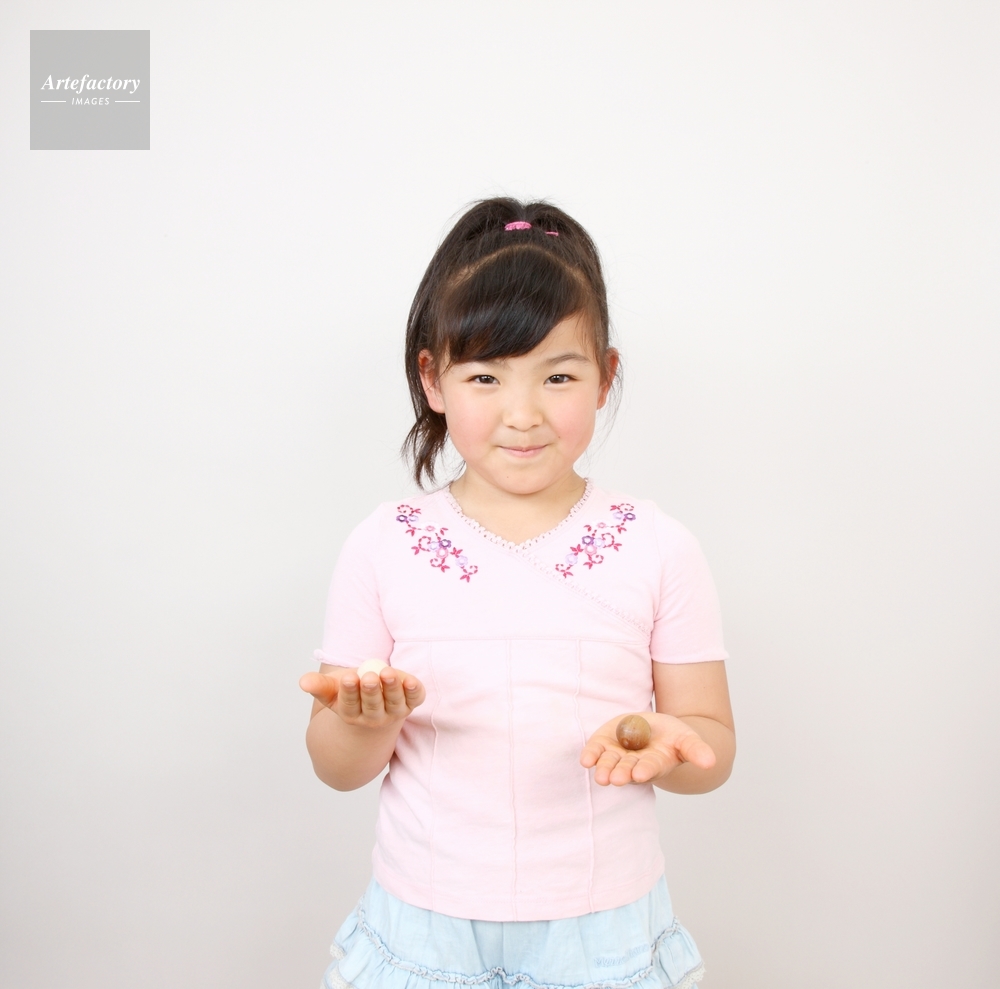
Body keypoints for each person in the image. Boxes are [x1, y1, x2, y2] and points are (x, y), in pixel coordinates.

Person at [299, 198, 735, 989]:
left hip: (602, 928)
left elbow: (710, 744)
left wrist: (669, 743)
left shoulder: (658, 544)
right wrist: (366, 720)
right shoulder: (384, 544)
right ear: (432, 379)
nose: (523, 413)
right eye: (485, 376)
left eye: (558, 375)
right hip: (425, 921)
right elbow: (336, 765)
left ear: (604, 378)